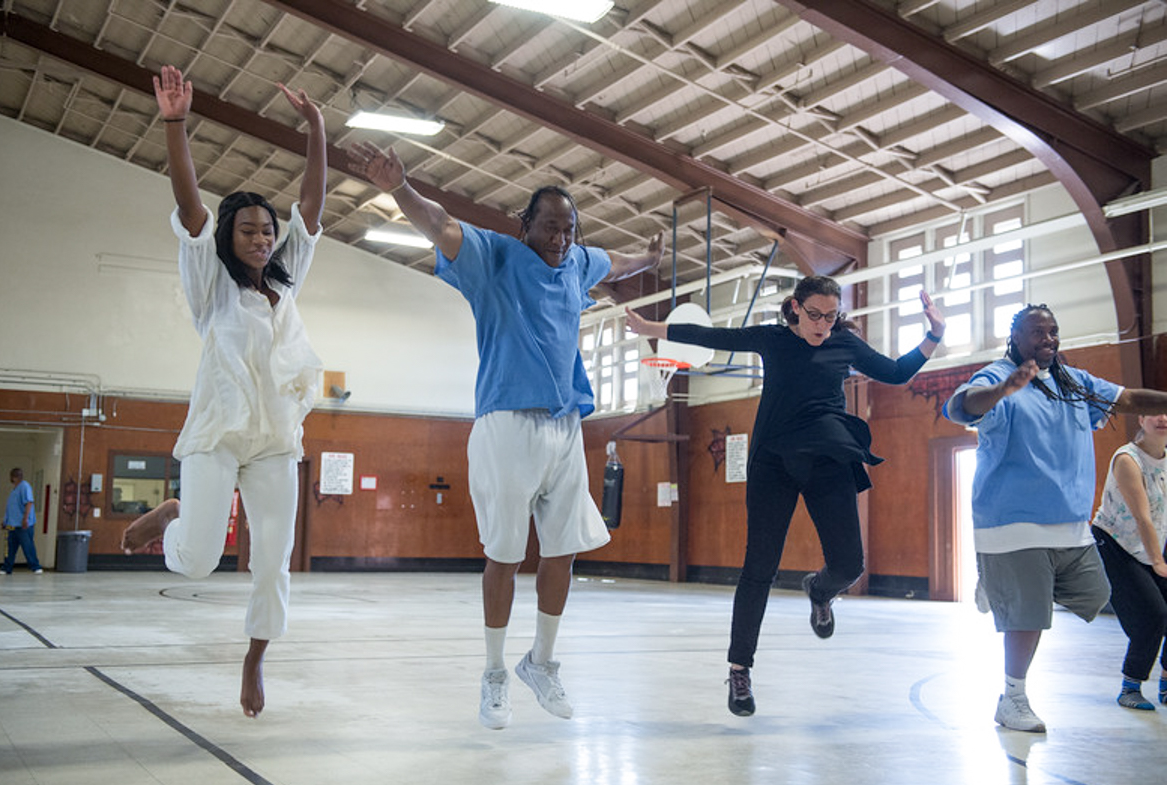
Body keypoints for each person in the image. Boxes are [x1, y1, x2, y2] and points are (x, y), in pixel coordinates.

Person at [348, 141, 663, 729]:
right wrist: (398, 187)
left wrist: (646, 256)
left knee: (564, 549)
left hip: (566, 423)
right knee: (505, 554)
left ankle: (541, 662)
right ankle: (494, 672)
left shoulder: (577, 264)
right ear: (526, 226)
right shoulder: (493, 257)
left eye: (568, 229)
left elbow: (614, 264)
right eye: (549, 227)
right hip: (505, 423)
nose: (560, 239)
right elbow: (441, 224)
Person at [626, 275, 945, 717]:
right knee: (759, 567)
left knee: (851, 563)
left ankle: (819, 590)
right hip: (773, 461)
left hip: (827, 458)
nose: (822, 325)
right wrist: (652, 330)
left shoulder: (844, 345)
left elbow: (896, 372)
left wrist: (934, 334)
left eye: (831, 316)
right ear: (795, 308)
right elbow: (714, 335)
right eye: (815, 314)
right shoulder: (773, 340)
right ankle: (740, 669)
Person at [118, 65, 326, 719]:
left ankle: (255, 657)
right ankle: (174, 515)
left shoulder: (285, 286)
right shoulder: (211, 287)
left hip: (273, 441)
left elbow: (312, 209)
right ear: (230, 238)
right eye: (250, 231)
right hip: (215, 432)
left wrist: (317, 128)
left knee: (273, 559)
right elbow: (190, 208)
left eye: (268, 231)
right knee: (201, 561)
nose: (263, 238)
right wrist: (175, 123)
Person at [943, 304, 1167, 732]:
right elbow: (961, 407)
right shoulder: (997, 377)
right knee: (1029, 616)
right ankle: (1013, 698)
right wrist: (1004, 389)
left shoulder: (1075, 382)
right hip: (1012, 521)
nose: (1047, 338)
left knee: (1094, 594)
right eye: (1036, 332)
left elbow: (1130, 399)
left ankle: (998, 582)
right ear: (1016, 338)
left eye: (1053, 331)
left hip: (1069, 523)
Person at [1091, 414, 1167, 711]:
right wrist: (1158, 563)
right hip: (1115, 544)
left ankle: (1165, 681)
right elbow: (1142, 516)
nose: (1162, 418)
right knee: (1154, 614)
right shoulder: (1127, 459)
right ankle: (1130, 686)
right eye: (1154, 412)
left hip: (1154, 543)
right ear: (1141, 419)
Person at [1, 468, 42, 575]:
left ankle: (35, 566)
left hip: (23, 524)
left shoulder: (24, 486)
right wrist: (5, 520)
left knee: (27, 545)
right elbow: (10, 507)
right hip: (12, 524)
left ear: (13, 477)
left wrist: (25, 519)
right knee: (10, 548)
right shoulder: (14, 490)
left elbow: (29, 502)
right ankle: (6, 567)